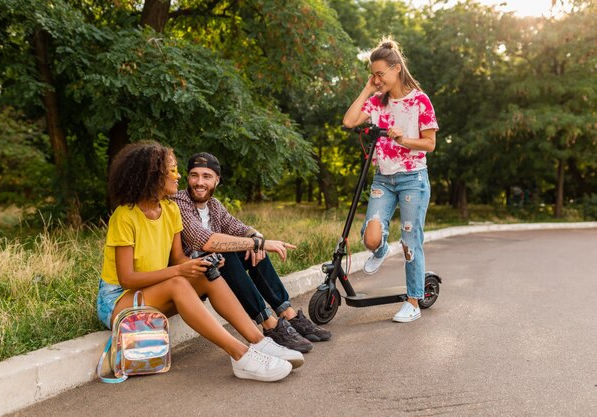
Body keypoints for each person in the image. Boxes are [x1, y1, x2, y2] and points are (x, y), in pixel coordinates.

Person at [96, 141, 304, 382]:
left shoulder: (170, 210)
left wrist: (198, 266)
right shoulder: (125, 216)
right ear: (153, 176)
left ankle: (260, 342)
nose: (178, 177)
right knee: (178, 282)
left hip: (151, 292)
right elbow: (127, 278)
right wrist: (181, 271)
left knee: (206, 272)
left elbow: (178, 259)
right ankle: (241, 356)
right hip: (119, 301)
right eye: (172, 170)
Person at [170, 153, 332, 353]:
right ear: (188, 177)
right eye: (194, 175)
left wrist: (257, 238)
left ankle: (288, 314)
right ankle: (270, 325)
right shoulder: (179, 201)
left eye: (206, 176)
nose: (199, 182)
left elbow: (239, 228)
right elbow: (202, 240)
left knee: (249, 249)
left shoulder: (214, 205)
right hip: (190, 275)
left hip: (212, 270)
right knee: (227, 253)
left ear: (217, 180)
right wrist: (257, 244)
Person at [342, 37, 439, 323]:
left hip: (412, 179)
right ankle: (382, 249)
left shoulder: (419, 100)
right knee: (371, 238)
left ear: (396, 69)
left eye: (380, 74)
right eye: (372, 74)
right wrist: (368, 88)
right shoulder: (377, 102)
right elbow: (349, 121)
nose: (376, 78)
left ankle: (413, 302)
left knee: (410, 242)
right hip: (383, 179)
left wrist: (404, 139)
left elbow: (430, 144)